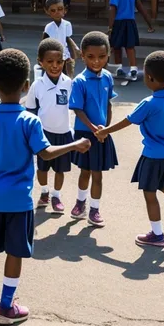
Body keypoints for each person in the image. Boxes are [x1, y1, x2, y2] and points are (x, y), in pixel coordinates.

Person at [0, 49, 90, 325]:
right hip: (18, 201)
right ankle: (6, 307)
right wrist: (75, 144)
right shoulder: (29, 121)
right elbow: (45, 153)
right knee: (15, 251)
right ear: (27, 86)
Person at [97, 51, 164, 246]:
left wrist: (105, 131)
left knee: (150, 194)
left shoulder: (149, 103)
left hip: (154, 156)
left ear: (150, 77)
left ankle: (157, 235)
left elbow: (128, 121)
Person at [69, 31, 118, 227]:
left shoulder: (107, 77)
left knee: (98, 173)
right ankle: (80, 203)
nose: (96, 61)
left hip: (102, 134)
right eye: (90, 57)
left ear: (108, 55)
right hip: (85, 134)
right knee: (85, 171)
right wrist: (93, 129)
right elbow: (78, 110)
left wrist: (106, 129)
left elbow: (108, 105)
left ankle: (94, 210)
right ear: (82, 55)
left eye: (101, 57)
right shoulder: (79, 81)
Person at [25, 38, 73, 213]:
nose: (55, 65)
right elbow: (30, 110)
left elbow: (75, 107)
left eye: (59, 61)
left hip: (64, 133)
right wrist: (30, 135)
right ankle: (44, 191)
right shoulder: (37, 85)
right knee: (42, 168)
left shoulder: (68, 83)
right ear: (41, 62)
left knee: (61, 170)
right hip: (43, 134)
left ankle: (56, 195)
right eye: (50, 62)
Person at [108, 0, 155, 81]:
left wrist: (110, 27)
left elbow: (112, 10)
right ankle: (133, 69)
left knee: (117, 47)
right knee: (130, 46)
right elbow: (141, 8)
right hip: (130, 22)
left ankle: (119, 69)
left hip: (118, 23)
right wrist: (149, 23)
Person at [43, 0, 78, 79]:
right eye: (53, 10)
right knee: (54, 76)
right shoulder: (48, 27)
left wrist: (73, 55)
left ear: (64, 10)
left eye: (60, 9)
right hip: (53, 56)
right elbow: (45, 42)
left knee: (67, 77)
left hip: (66, 56)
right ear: (47, 12)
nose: (57, 12)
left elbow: (68, 39)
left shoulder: (67, 24)